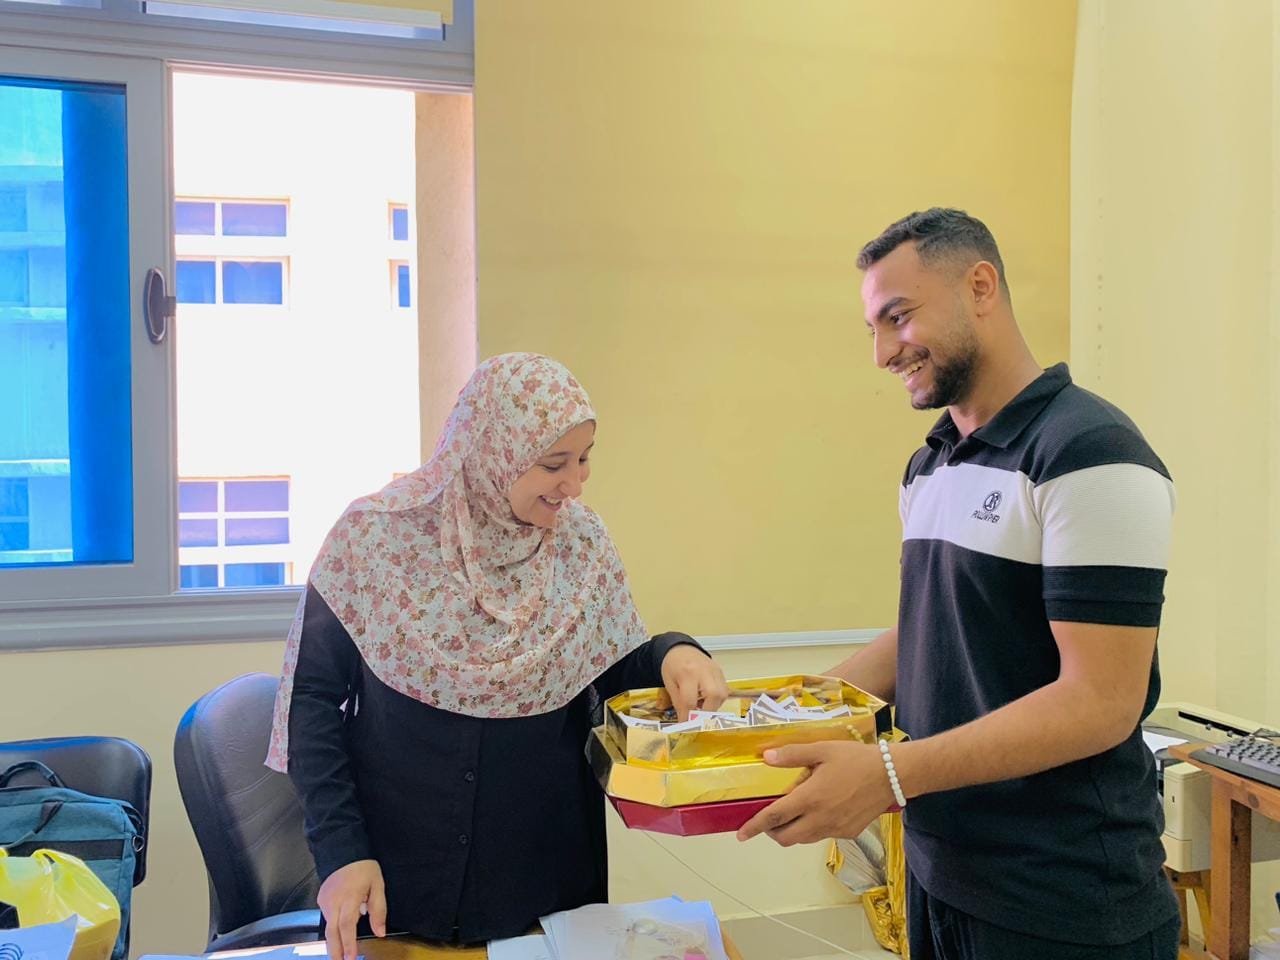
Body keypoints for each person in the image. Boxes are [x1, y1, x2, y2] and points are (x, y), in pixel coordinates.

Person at [738, 209, 1181, 959]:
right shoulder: (931, 465)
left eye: (898, 317)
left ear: (980, 287)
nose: (883, 352)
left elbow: (1100, 702)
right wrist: (785, 716)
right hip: (940, 876)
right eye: (873, 329)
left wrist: (887, 774)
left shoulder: (1091, 453)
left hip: (1062, 900)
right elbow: (934, 631)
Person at [266, 352, 729, 960]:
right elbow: (311, 700)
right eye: (553, 464)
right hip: (396, 881)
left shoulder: (582, 544)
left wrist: (675, 652)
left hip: (546, 885)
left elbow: (615, 667)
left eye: (585, 458)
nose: (575, 484)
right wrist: (341, 853)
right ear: (492, 451)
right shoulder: (374, 538)